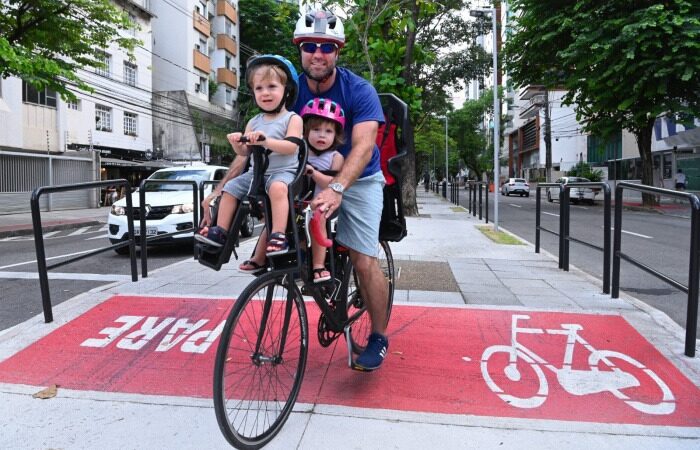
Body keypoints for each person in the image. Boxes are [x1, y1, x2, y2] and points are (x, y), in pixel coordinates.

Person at [294, 10, 390, 371]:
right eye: (310, 46)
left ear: (338, 51)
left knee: (363, 259)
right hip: (308, 172)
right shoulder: (290, 88)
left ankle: (379, 336)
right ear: (300, 49)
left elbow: (364, 146)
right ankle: (319, 273)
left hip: (359, 178)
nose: (318, 54)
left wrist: (337, 187)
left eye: (326, 47)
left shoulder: (359, 90)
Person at [195, 54, 303, 254]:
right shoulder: (253, 121)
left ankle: (278, 234)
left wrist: (265, 141)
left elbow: (292, 147)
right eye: (259, 88)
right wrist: (236, 142)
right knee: (230, 187)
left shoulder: (292, 119)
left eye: (272, 87)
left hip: (283, 172)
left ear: (286, 91)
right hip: (255, 174)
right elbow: (245, 152)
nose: (265, 93)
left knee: (278, 189)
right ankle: (220, 231)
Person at [301, 98, 346, 283]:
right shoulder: (300, 152)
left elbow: (334, 183)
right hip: (303, 200)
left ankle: (319, 264)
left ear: (335, 136)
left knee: (317, 219)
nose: (322, 135)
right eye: (316, 130)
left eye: (328, 131)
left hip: (326, 202)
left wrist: (312, 172)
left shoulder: (335, 157)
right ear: (306, 132)